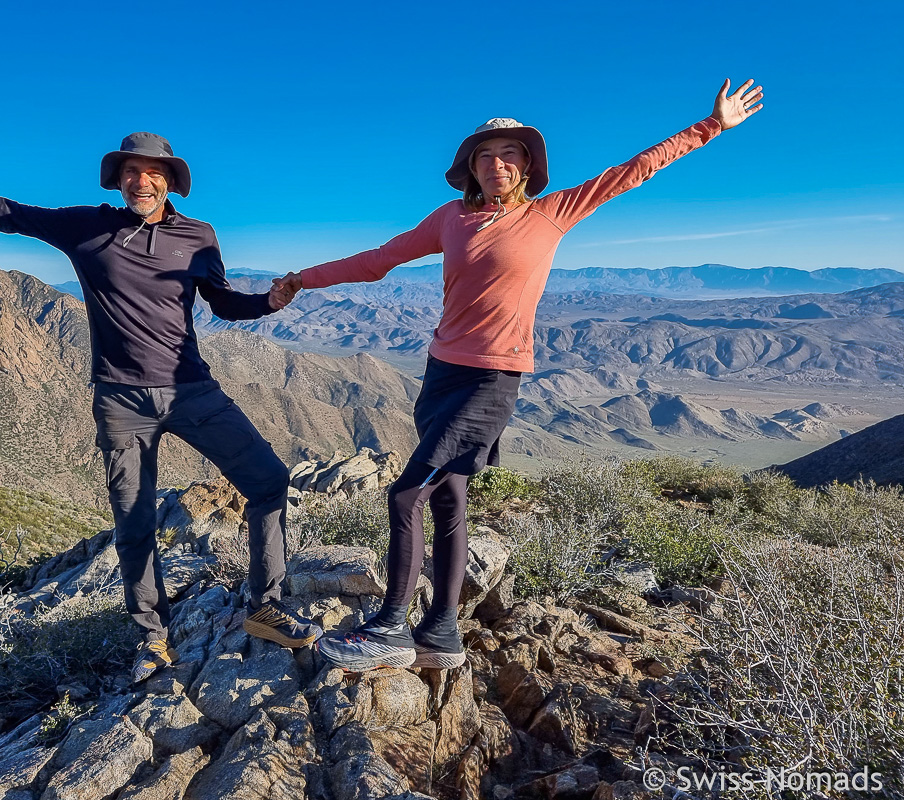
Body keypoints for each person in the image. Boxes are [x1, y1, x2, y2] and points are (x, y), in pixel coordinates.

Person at [272, 79, 764, 672]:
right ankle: (443, 634)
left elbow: (635, 170)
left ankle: (391, 626)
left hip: (492, 382)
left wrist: (710, 126)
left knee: (406, 495)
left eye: (510, 154)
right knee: (448, 498)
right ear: (469, 166)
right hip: (440, 374)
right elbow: (379, 259)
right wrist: (304, 277)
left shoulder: (552, 213)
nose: (497, 164)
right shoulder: (449, 219)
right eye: (485, 154)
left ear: (528, 165)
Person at [0, 132, 322, 683]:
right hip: (120, 400)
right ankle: (154, 640)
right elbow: (9, 214)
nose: (141, 181)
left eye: (152, 172)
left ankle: (266, 606)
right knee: (133, 522)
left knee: (268, 480)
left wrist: (267, 303)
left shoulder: (198, 236)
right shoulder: (88, 227)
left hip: (192, 391)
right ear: (118, 179)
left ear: (170, 180)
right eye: (131, 172)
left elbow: (222, 302)